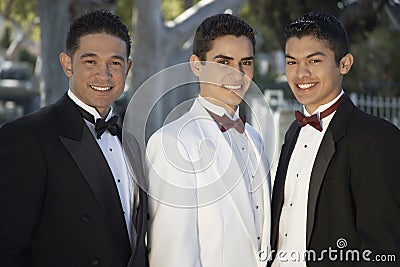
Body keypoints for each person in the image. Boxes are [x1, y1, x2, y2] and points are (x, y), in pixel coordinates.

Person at [0, 10, 148, 266]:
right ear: (68, 64)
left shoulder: (132, 143)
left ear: (128, 67)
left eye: (115, 62)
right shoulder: (27, 137)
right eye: (90, 62)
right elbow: (7, 248)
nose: (104, 75)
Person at [270, 11, 400, 267]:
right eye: (292, 62)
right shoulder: (293, 133)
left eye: (314, 61)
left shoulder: (378, 139)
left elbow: (384, 251)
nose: (300, 73)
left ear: (345, 63)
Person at [145, 13, 271, 267]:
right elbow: (173, 255)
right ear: (196, 65)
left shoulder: (254, 139)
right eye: (223, 62)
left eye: (245, 62)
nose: (236, 74)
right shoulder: (172, 143)